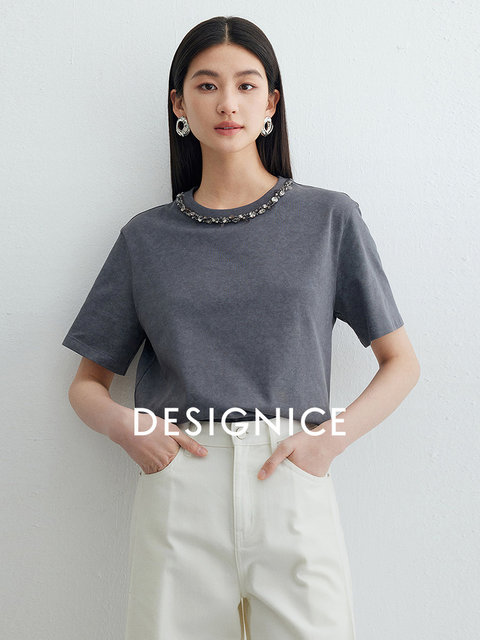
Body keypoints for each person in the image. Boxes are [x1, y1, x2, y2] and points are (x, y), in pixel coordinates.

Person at [62, 15, 420, 640]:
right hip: (181, 485)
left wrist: (327, 442)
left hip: (291, 478)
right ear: (179, 104)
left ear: (271, 103)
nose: (227, 103)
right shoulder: (146, 239)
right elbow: (86, 384)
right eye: (206, 85)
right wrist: (131, 429)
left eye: (247, 85)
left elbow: (402, 363)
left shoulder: (328, 219)